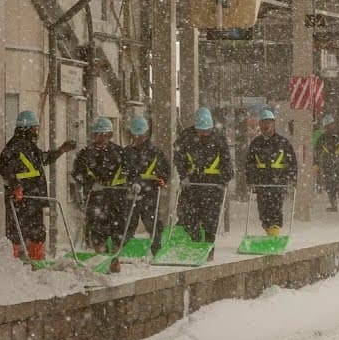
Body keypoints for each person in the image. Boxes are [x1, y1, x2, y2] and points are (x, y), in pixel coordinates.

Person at [0, 110, 76, 262]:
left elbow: (43, 158)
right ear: (27, 129)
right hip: (22, 199)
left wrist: (61, 150)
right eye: (35, 128)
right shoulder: (14, 147)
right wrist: (16, 186)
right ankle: (19, 261)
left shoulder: (29, 146)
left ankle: (36, 261)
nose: (36, 132)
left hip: (32, 198)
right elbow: (4, 169)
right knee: (21, 231)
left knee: (34, 231)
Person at [173, 107, 234, 258]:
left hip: (213, 186)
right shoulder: (186, 137)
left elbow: (227, 163)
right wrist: (183, 176)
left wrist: (223, 180)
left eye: (207, 131)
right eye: (201, 131)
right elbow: (179, 158)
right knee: (188, 215)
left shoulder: (219, 139)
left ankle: (208, 247)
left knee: (210, 219)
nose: (204, 135)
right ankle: (195, 242)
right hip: (192, 184)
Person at [70, 117, 126, 252]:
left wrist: (132, 185)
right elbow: (77, 174)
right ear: (94, 135)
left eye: (105, 135)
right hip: (94, 199)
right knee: (97, 231)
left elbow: (129, 172)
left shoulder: (119, 153)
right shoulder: (85, 154)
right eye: (98, 135)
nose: (101, 138)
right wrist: (90, 183)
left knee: (117, 231)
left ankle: (115, 258)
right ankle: (100, 256)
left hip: (116, 199)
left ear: (110, 135)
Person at [120, 115, 171, 256]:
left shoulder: (156, 152)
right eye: (136, 135)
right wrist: (130, 183)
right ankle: (126, 250)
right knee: (129, 223)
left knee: (152, 223)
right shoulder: (126, 152)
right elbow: (123, 172)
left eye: (141, 135)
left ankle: (157, 250)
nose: (138, 138)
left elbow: (165, 171)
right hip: (132, 193)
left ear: (146, 134)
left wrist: (161, 180)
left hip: (150, 193)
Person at [244, 108, 298, 236]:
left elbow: (292, 163)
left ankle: (274, 235)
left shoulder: (283, 143)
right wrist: (250, 179)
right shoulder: (256, 143)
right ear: (260, 124)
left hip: (278, 183)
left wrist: (292, 179)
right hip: (261, 183)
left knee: (275, 210)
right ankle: (270, 232)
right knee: (263, 212)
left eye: (268, 122)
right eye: (263, 122)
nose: (266, 125)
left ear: (273, 123)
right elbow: (249, 163)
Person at [314, 114, 339, 212]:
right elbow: (317, 152)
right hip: (331, 163)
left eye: (330, 125)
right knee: (332, 183)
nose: (329, 127)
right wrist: (316, 164)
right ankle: (336, 203)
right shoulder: (325, 137)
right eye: (327, 125)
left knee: (336, 183)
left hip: (336, 162)